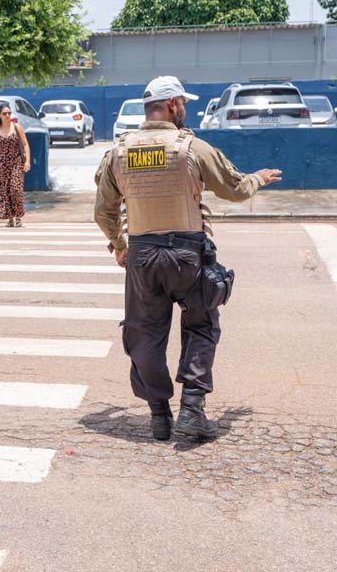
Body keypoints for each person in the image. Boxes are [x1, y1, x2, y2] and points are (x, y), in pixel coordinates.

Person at [94, 76, 282, 441]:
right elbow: (235, 189)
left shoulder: (118, 151)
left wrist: (119, 244)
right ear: (173, 104)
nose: (186, 110)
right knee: (201, 326)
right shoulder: (191, 147)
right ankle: (192, 410)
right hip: (188, 255)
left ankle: (159, 416)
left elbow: (103, 212)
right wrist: (257, 178)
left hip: (143, 255)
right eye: (184, 104)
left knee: (144, 335)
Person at [0, 102, 31, 227]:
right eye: (4, 113)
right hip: (3, 164)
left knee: (15, 190)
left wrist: (27, 161)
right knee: (5, 191)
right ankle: (11, 219)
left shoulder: (17, 127)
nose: (7, 115)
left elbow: (26, 145)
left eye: (9, 113)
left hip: (16, 162)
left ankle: (18, 217)